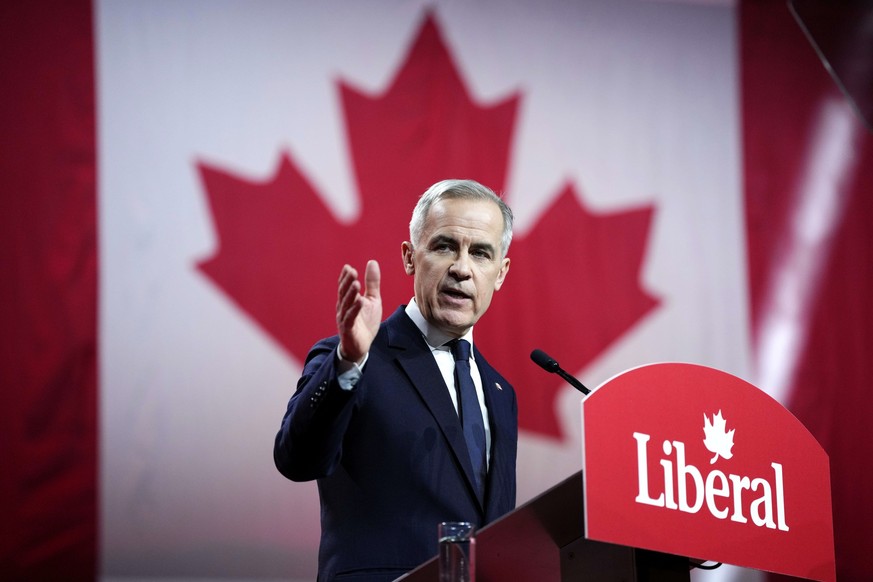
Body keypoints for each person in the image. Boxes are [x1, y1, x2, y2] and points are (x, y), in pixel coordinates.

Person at [274, 179, 518, 581]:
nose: (461, 268)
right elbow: (296, 459)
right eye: (444, 246)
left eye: (480, 253)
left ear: (500, 272)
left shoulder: (500, 392)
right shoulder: (355, 358)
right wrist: (348, 362)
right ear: (409, 257)